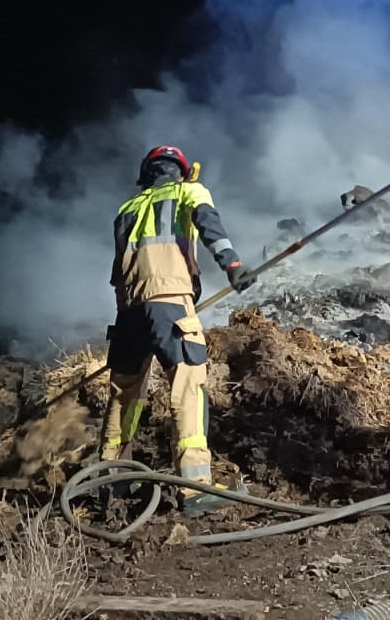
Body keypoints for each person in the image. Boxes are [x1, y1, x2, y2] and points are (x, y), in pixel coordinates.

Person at [102, 144, 255, 517]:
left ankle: (110, 482)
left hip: (129, 313)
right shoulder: (189, 191)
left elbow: (117, 273)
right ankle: (195, 487)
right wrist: (233, 266)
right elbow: (209, 226)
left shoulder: (127, 209)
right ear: (182, 171)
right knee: (188, 387)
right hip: (170, 303)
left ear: (147, 174)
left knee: (124, 394)